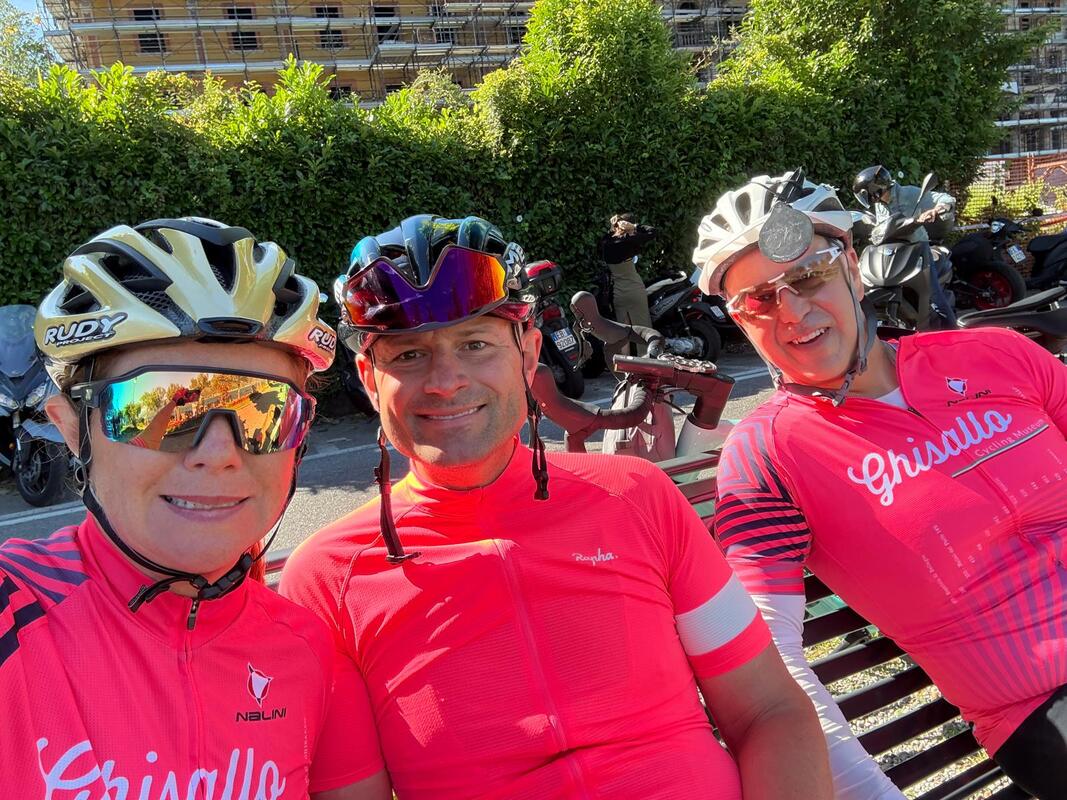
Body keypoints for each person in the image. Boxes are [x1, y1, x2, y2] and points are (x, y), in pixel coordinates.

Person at [281, 213, 833, 800]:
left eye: (475, 344)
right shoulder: (326, 581)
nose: (445, 380)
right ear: (369, 378)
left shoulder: (639, 498)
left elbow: (770, 709)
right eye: (408, 355)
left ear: (528, 354)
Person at [693, 170, 1067, 800]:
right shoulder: (768, 453)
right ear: (739, 319)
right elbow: (765, 655)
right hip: (1040, 703)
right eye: (759, 300)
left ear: (853, 268)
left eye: (808, 276)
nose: (794, 312)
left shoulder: (997, 355)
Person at [1, 217, 390, 798]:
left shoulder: (312, 651)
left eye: (263, 411)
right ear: (73, 430)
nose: (218, 455)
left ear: (300, 436)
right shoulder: (15, 612)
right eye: (161, 407)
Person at [853, 164, 958, 325]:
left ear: (875, 189)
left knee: (933, 298)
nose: (867, 198)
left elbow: (945, 199)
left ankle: (953, 333)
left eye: (866, 193)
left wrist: (936, 210)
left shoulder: (909, 193)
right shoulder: (879, 205)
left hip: (916, 247)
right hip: (893, 252)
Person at [597, 213, 657, 358]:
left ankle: (625, 367)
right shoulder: (629, 241)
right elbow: (652, 232)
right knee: (643, 329)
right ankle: (646, 363)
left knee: (624, 333)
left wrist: (613, 226)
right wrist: (634, 227)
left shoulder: (607, 243)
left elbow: (605, 239)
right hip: (635, 290)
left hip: (618, 293)